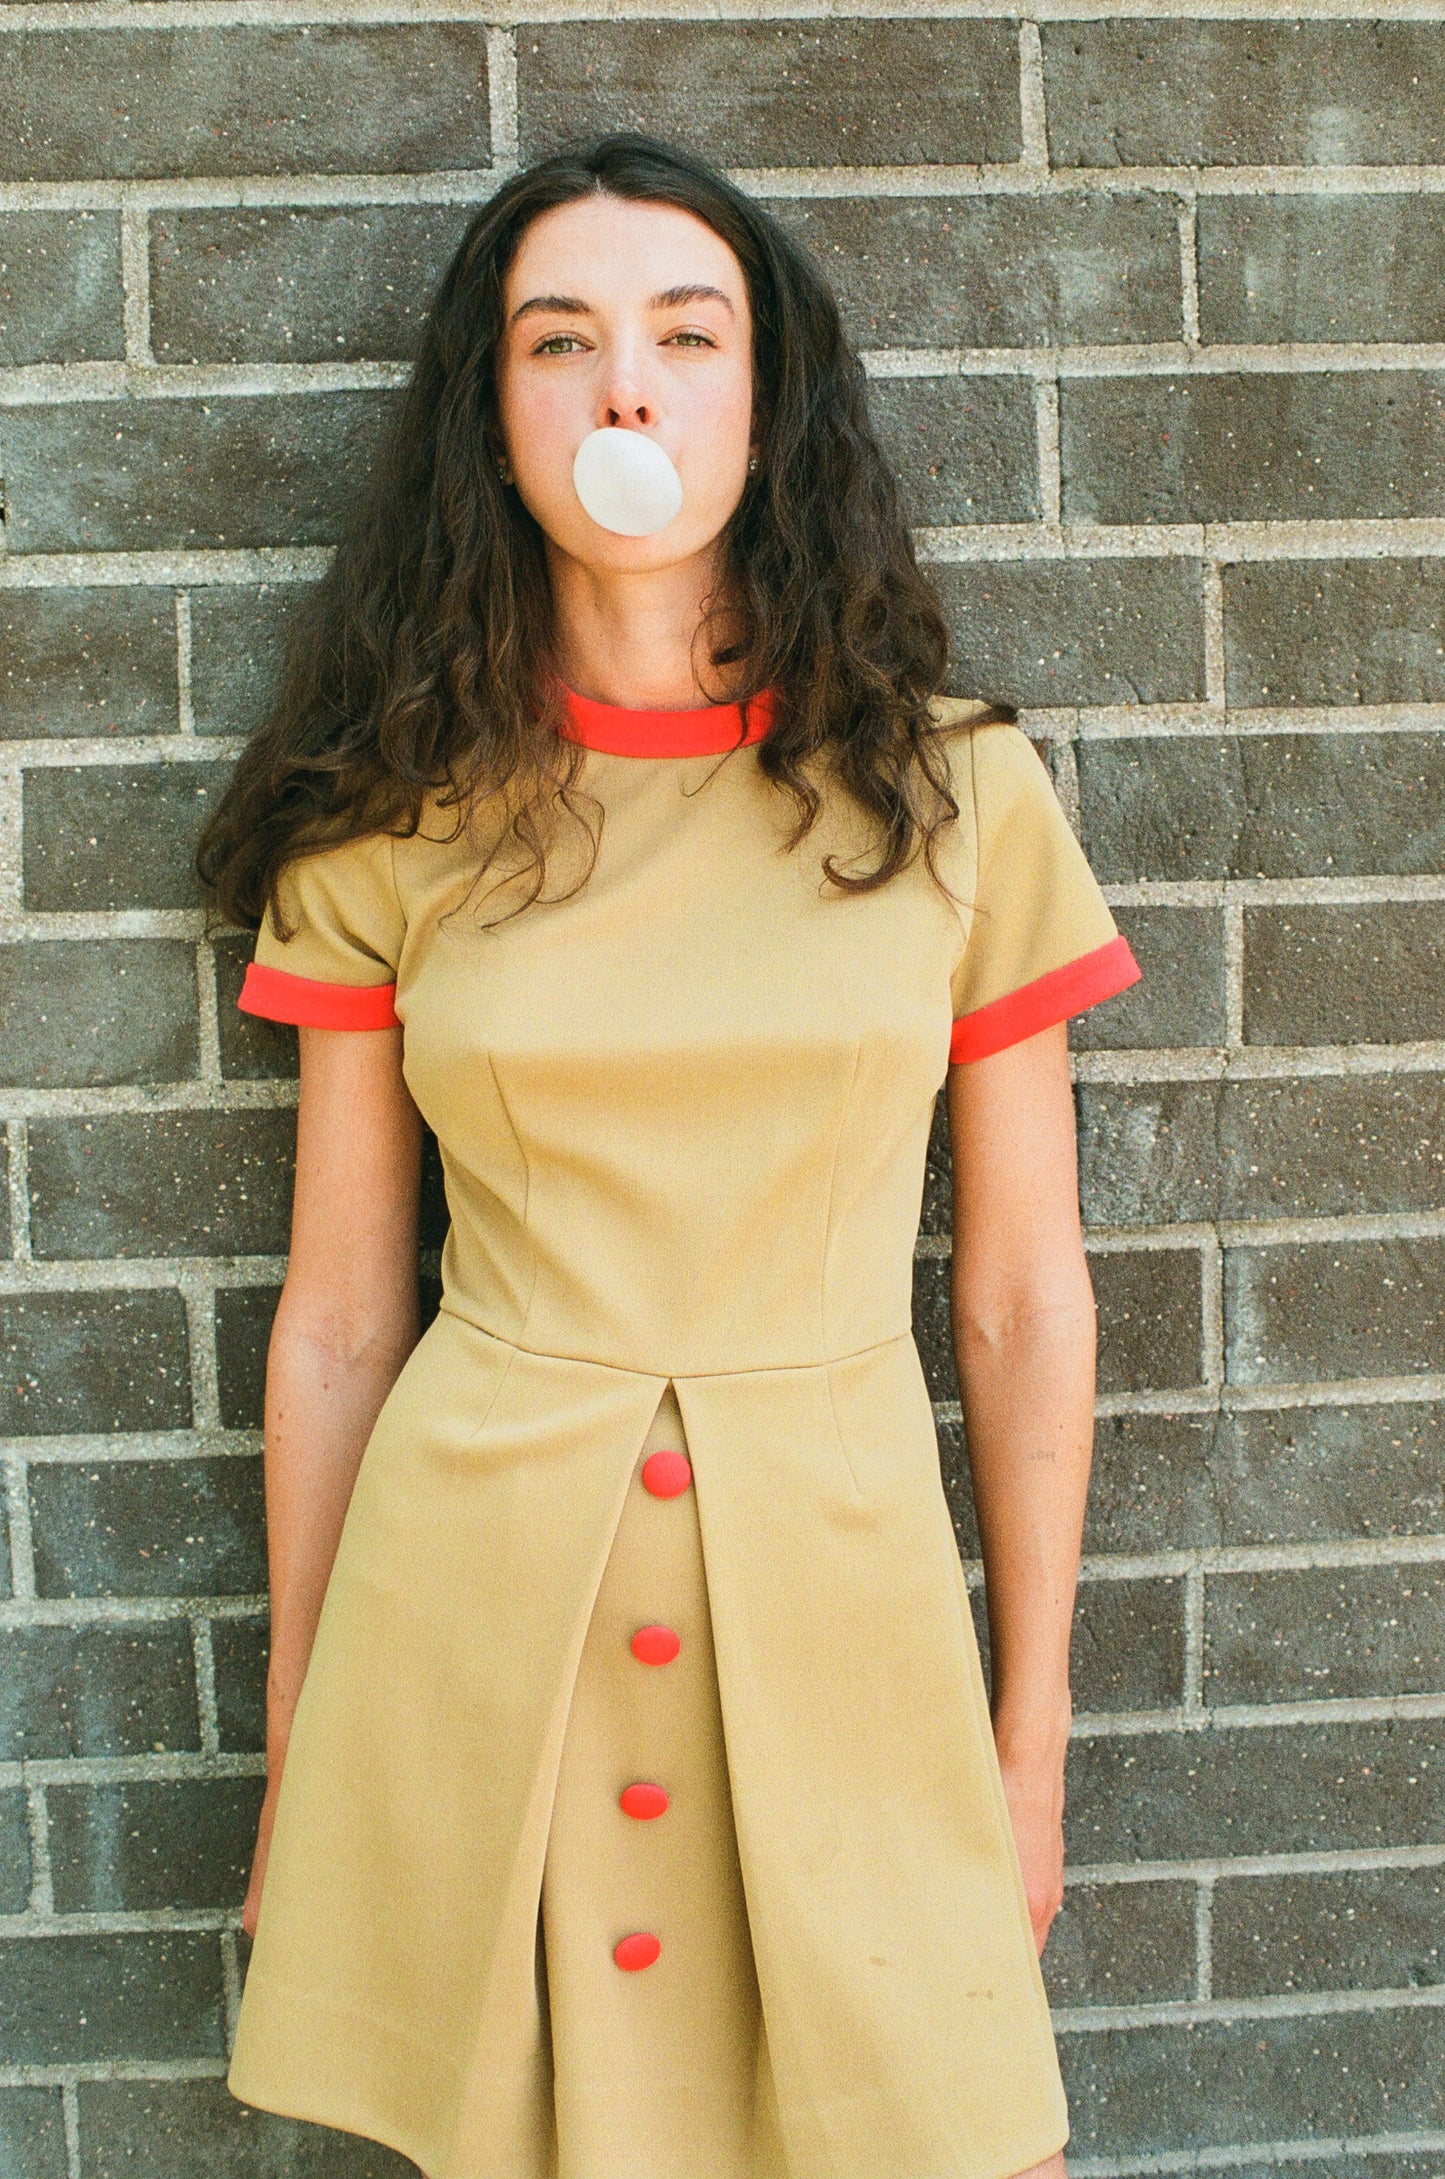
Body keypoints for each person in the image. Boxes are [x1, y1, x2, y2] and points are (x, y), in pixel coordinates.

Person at [196, 132, 1140, 2179]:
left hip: (852, 1620)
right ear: (495, 420)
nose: (626, 386)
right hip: (477, 1630)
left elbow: (1021, 1292)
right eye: (562, 343)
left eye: (685, 335)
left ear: (763, 399)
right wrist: (300, 1760)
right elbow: (345, 1319)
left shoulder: (957, 795)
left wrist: (1029, 1742)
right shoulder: (385, 825)